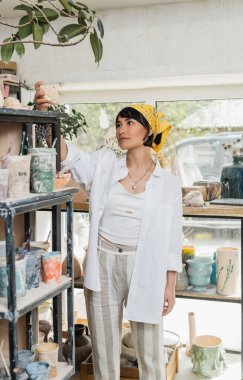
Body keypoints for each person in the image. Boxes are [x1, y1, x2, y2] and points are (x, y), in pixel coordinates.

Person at [35, 82, 182, 380]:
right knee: (103, 348)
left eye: (130, 122)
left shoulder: (167, 182)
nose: (121, 129)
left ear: (148, 131)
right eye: (118, 123)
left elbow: (172, 237)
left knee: (150, 352)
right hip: (102, 261)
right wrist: (48, 115)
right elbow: (68, 155)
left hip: (144, 264)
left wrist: (170, 284)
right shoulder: (104, 164)